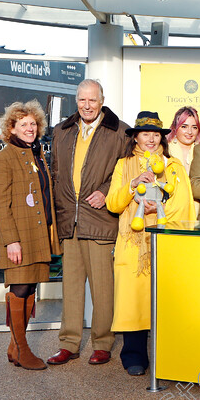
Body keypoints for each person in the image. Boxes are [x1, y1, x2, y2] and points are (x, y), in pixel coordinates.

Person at [48, 79, 131, 366]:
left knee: (102, 289)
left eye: (92, 100)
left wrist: (107, 192)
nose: (87, 105)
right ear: (76, 100)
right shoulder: (62, 131)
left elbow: (126, 171)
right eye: (82, 100)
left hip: (100, 220)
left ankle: (102, 343)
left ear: (102, 100)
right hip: (70, 221)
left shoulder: (119, 131)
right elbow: (56, 173)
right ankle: (68, 343)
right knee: (70, 288)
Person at [106, 111, 196, 376]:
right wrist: (133, 187)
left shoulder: (173, 165)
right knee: (133, 299)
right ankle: (133, 354)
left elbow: (184, 204)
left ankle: (166, 355)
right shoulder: (123, 165)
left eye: (156, 134)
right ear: (135, 137)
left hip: (163, 241)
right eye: (145, 133)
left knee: (164, 299)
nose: (151, 139)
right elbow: (113, 203)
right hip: (132, 243)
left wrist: (160, 208)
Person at [0, 100, 60, 370]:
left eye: (33, 123)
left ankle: (14, 347)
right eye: (23, 124)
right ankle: (23, 349)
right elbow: (0, 204)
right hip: (18, 236)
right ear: (12, 128)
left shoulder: (37, 154)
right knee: (20, 288)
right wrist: (11, 241)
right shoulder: (3, 158)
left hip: (38, 233)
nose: (30, 128)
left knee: (30, 286)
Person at [167, 106, 200, 174]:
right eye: (184, 127)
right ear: (175, 128)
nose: (189, 132)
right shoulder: (165, 150)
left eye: (194, 127)